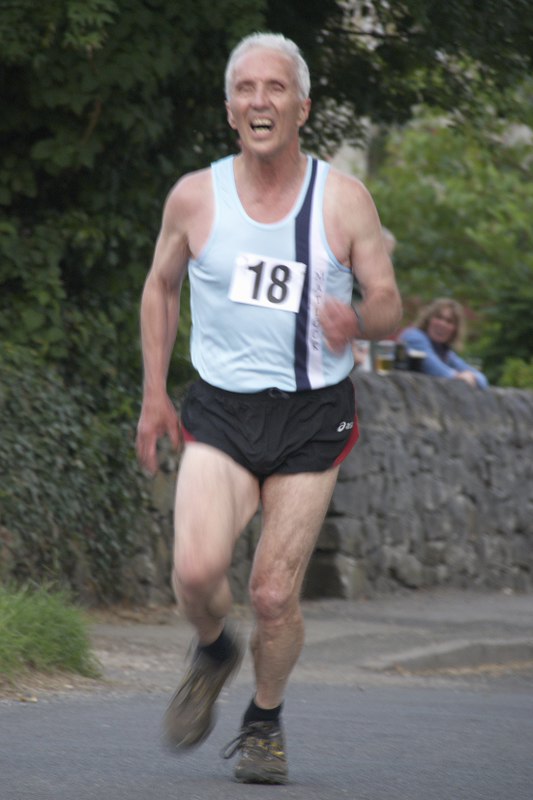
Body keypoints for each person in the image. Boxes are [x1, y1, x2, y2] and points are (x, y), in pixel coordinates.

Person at [135, 32, 402, 785]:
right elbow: (160, 286)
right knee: (195, 573)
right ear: (230, 111)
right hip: (221, 409)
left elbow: (387, 301)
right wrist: (154, 395)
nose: (260, 101)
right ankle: (214, 648)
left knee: (274, 594)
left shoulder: (342, 199)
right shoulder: (195, 197)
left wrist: (359, 320)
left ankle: (264, 721)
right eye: (246, 89)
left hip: (311, 415)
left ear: (302, 108)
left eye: (276, 88)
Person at [399, 298, 488, 388]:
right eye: (438, 317)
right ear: (428, 320)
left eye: (449, 321)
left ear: (455, 330)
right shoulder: (414, 337)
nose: (442, 324)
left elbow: (482, 380)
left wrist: (472, 377)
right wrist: (459, 376)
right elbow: (436, 369)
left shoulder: (445, 352)